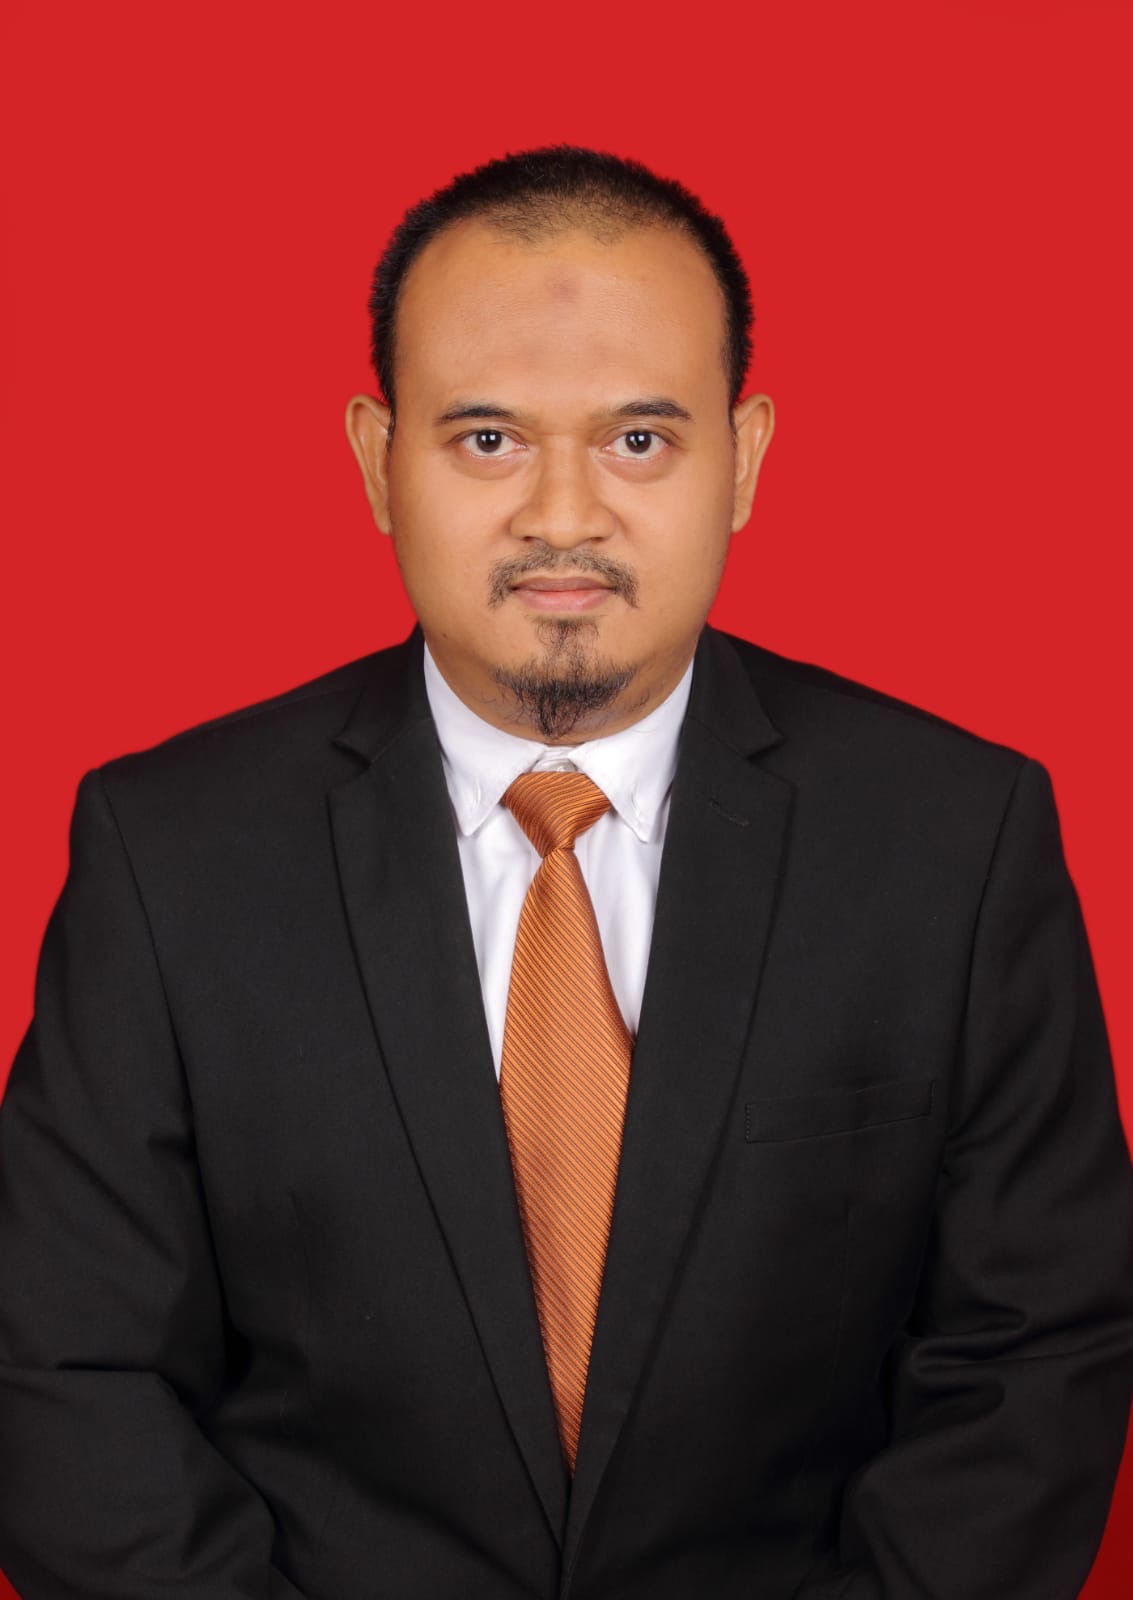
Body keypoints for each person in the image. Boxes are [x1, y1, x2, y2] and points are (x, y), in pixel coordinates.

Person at [0, 144, 1130, 1600]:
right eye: (486, 438)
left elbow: (1032, 1355)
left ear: (745, 459)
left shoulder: (955, 839)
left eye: (638, 439)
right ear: (376, 459)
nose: (561, 516)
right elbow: (65, 1368)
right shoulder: (167, 853)